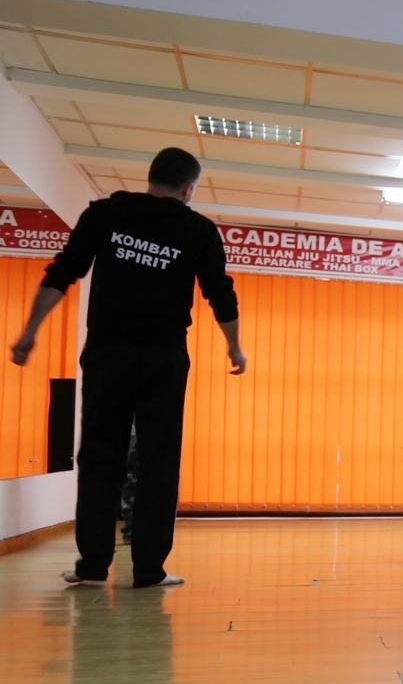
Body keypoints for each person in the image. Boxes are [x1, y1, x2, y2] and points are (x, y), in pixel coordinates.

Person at [9, 146, 246, 588]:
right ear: (188, 188)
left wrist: (29, 332)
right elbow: (220, 292)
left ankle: (92, 566)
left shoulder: (105, 215)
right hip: (164, 358)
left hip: (108, 353)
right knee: (159, 461)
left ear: (152, 176)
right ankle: (149, 569)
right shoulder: (198, 230)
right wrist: (234, 347)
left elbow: (63, 272)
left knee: (100, 456)